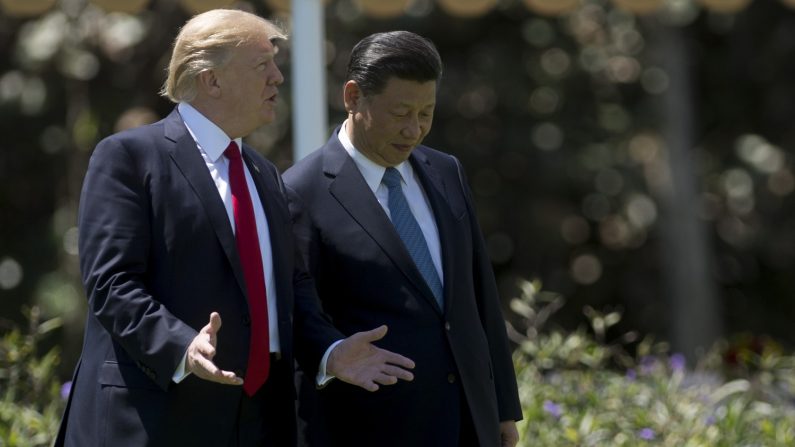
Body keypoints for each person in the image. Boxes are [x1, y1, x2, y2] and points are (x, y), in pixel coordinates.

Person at [55, 10, 415, 447]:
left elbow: (291, 286)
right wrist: (181, 347)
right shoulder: (129, 157)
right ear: (212, 80)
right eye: (263, 64)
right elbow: (112, 283)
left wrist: (330, 350)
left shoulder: (264, 174)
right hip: (151, 420)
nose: (278, 78)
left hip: (257, 425)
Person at [283, 31, 522, 447]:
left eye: (426, 113)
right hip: (372, 426)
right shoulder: (301, 191)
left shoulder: (447, 171)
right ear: (354, 97)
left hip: (470, 421)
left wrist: (501, 408)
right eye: (400, 113)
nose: (414, 130)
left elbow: (478, 295)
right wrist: (333, 354)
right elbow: (299, 313)